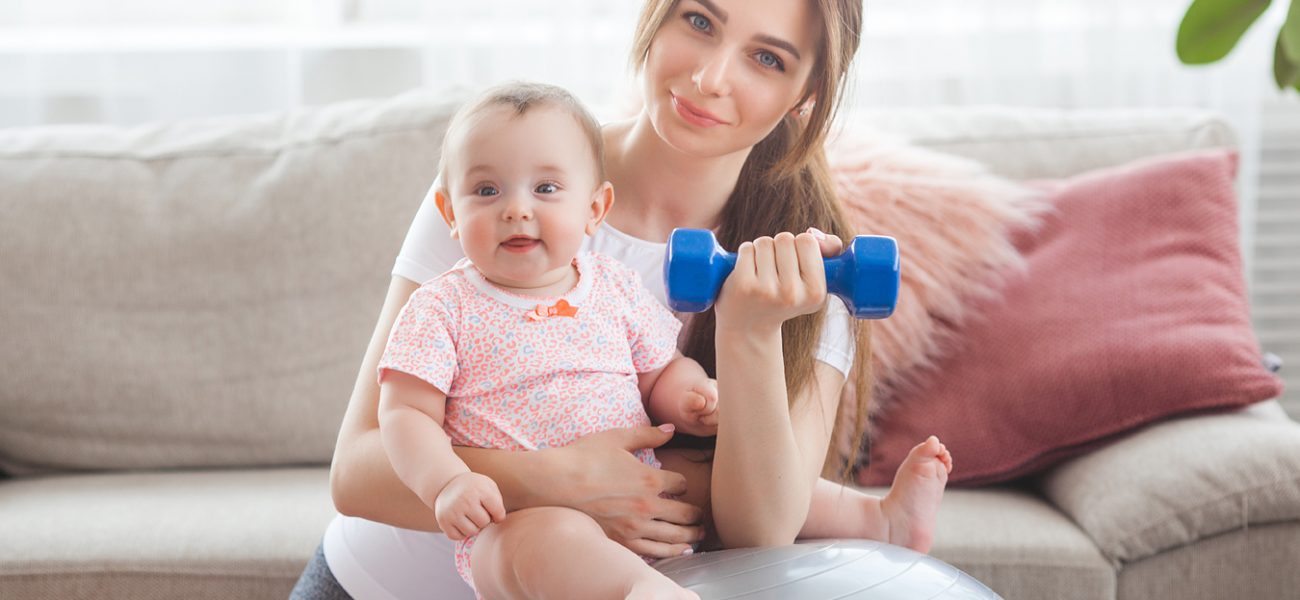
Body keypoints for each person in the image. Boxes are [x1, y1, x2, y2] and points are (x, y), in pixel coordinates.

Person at [291, 1, 953, 598]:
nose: (710, 78)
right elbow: (359, 472)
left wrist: (747, 333)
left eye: (766, 57)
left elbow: (763, 526)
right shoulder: (507, 181)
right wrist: (561, 479)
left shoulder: (810, 267)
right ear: (654, 14)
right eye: (698, 21)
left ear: (805, 93)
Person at [378, 81, 720, 599]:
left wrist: (692, 395)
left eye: (546, 189)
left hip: (632, 518)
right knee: (546, 538)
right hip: (515, 527)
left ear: (595, 208)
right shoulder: (440, 307)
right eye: (487, 190)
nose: (516, 209)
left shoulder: (614, 286)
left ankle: (640, 585)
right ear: (450, 214)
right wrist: (447, 481)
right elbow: (404, 414)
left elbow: (661, 370)